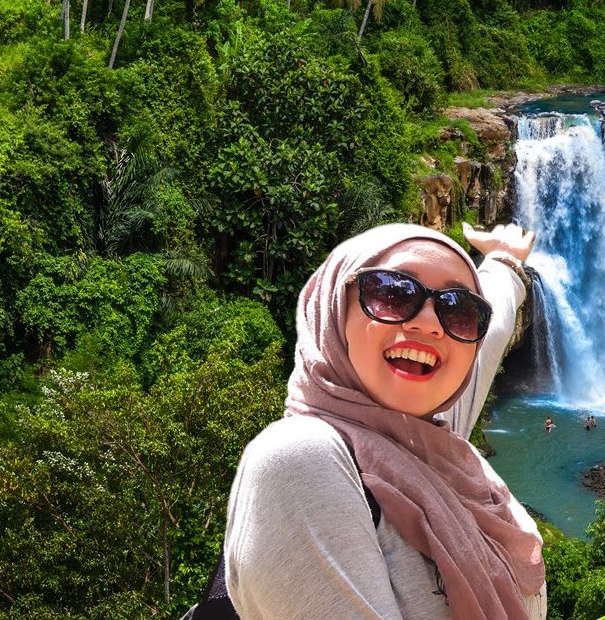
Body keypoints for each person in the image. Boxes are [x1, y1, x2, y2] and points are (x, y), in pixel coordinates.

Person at [224, 222, 546, 620]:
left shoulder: (430, 446)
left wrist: (504, 260)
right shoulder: (302, 461)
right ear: (334, 308)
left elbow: (491, 333)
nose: (429, 323)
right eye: (392, 293)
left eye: (458, 309)